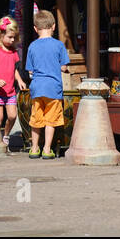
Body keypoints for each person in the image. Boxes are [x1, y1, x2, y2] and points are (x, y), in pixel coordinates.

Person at [25, 10, 68, 160]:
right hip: (53, 88)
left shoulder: (32, 46)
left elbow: (30, 69)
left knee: (36, 118)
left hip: (37, 87)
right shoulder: (59, 45)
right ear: (54, 26)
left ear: (35, 29)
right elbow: (63, 67)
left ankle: (34, 148)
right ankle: (47, 149)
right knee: (51, 119)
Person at [0, 18, 27, 146]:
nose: (12, 40)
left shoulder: (13, 52)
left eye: (14, 37)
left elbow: (14, 69)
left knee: (12, 116)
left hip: (10, 91)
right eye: (10, 37)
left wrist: (20, 80)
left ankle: (6, 135)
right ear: (0, 35)